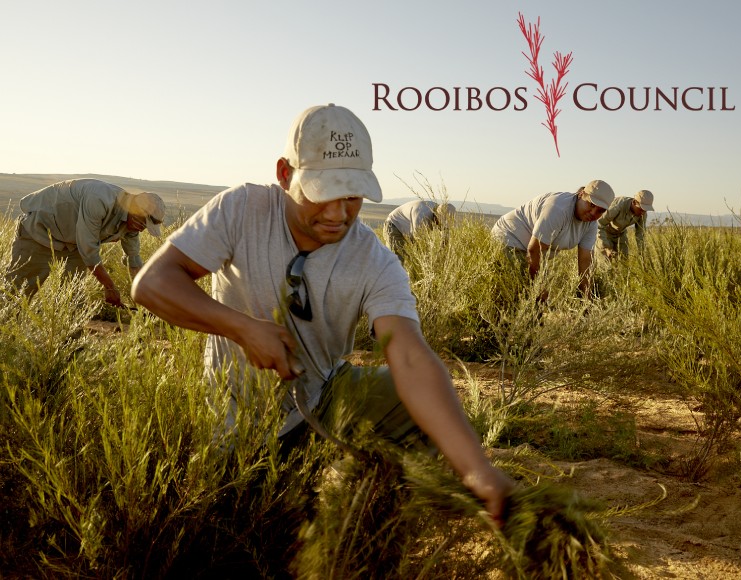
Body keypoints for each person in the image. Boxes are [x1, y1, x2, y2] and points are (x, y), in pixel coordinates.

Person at [131, 103, 514, 523]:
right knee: (237, 523)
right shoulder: (241, 209)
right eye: (321, 194)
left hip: (320, 395)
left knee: (407, 402)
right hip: (235, 411)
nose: (337, 215)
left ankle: (371, 516)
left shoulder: (376, 261)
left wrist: (475, 468)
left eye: (351, 196)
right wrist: (241, 328)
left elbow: (408, 355)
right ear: (284, 174)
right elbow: (152, 284)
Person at [6, 178, 165, 307]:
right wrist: (109, 287)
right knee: (18, 291)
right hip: (39, 232)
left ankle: (70, 344)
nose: (142, 229)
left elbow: (134, 259)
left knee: (73, 297)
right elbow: (88, 251)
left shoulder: (132, 226)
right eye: (143, 223)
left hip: (73, 244)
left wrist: (146, 296)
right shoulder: (99, 199)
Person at [490, 180, 615, 298]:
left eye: (600, 210)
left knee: (535, 299)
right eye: (591, 204)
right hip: (510, 238)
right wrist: (539, 287)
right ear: (581, 195)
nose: (593, 213)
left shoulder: (591, 224)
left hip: (533, 251)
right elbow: (534, 250)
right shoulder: (558, 209)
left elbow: (585, 261)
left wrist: (586, 299)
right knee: (517, 294)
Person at [383, 199, 456, 261]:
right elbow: (420, 244)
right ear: (436, 216)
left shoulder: (443, 211)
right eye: (441, 222)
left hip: (408, 228)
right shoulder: (421, 216)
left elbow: (445, 238)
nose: (440, 226)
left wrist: (441, 253)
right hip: (394, 224)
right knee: (396, 260)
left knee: (411, 260)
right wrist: (430, 259)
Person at [596, 190, 655, 260]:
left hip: (621, 234)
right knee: (606, 265)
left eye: (645, 210)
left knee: (624, 263)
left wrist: (642, 254)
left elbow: (640, 233)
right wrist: (606, 247)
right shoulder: (618, 205)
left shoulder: (642, 213)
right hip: (605, 234)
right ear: (634, 202)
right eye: (641, 209)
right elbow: (599, 225)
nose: (642, 213)